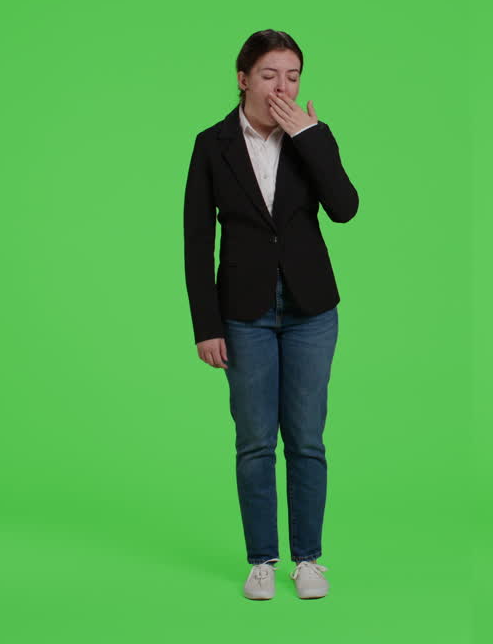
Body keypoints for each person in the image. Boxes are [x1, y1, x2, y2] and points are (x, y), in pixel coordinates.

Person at [183, 29, 358, 600]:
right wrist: (205, 325)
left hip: (311, 309)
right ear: (242, 79)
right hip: (243, 311)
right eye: (269, 75)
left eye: (292, 75)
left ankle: (308, 559)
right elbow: (194, 239)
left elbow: (345, 208)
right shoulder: (211, 145)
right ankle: (261, 559)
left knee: (307, 438)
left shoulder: (312, 136)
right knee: (255, 439)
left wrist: (308, 136)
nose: (282, 86)